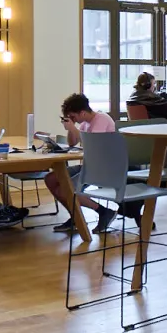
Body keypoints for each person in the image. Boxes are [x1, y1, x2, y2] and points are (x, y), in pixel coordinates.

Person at [44, 93, 119, 235]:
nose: (74, 120)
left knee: (65, 189)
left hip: (105, 167)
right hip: (90, 164)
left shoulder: (101, 119)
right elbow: (72, 143)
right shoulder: (85, 124)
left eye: (73, 117)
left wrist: (73, 128)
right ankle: (75, 217)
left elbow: (92, 145)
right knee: (51, 179)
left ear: (83, 112)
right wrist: (70, 129)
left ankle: (104, 212)